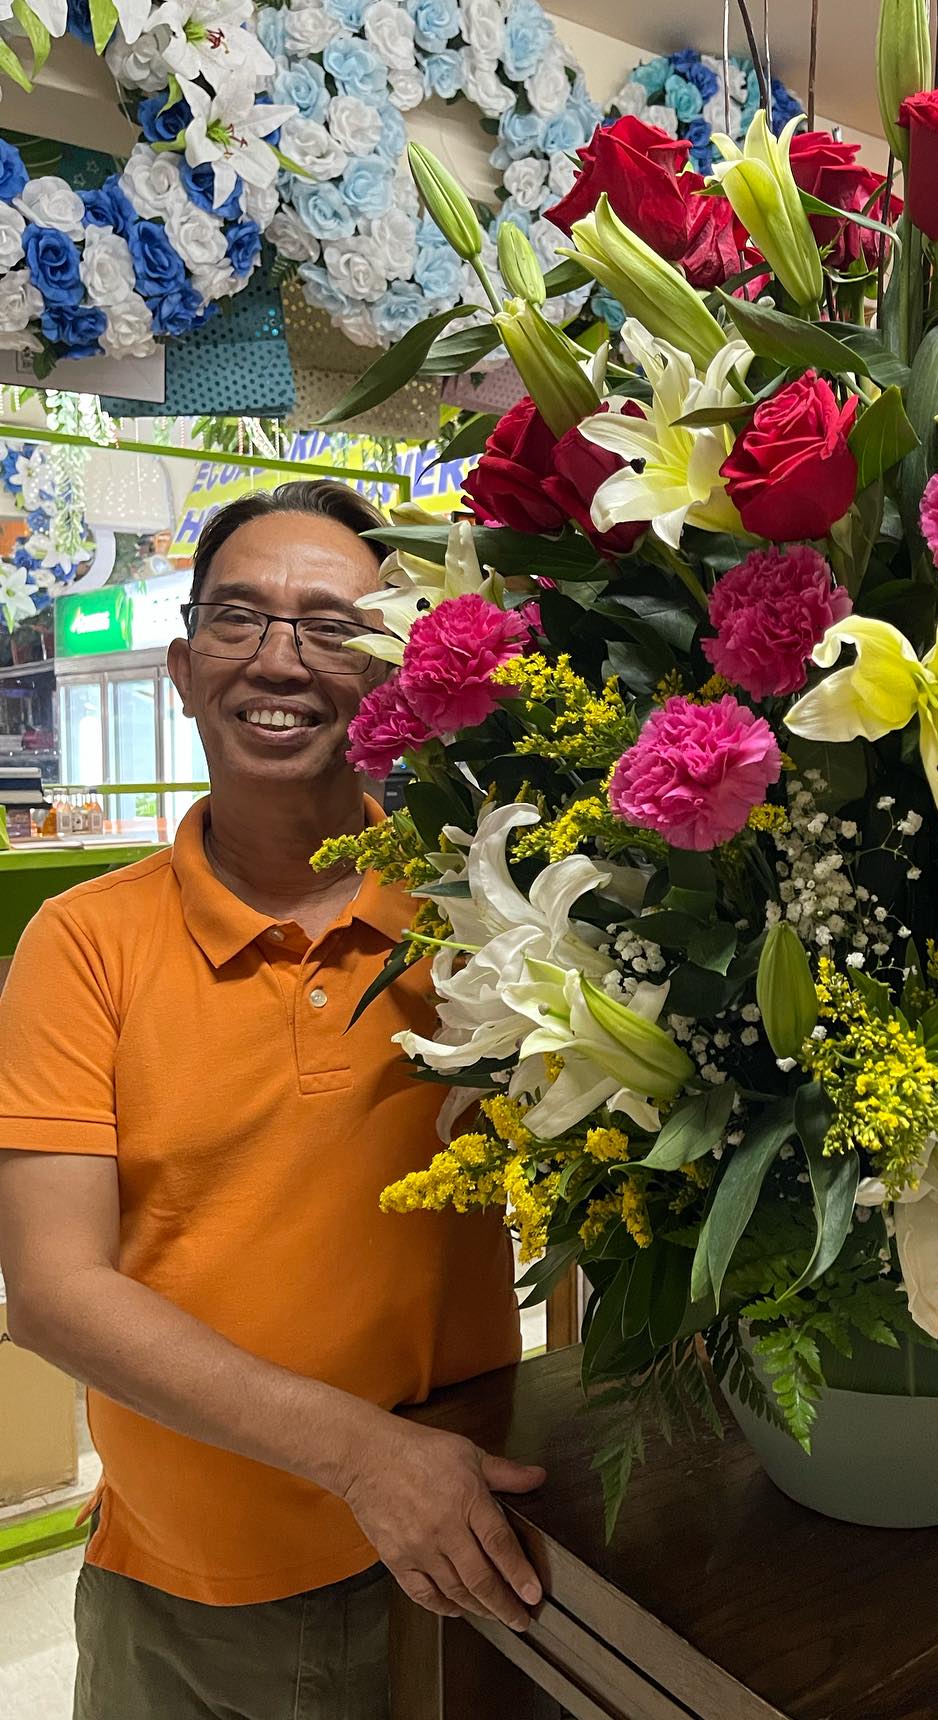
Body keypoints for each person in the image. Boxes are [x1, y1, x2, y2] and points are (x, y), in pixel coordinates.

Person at [0, 482, 542, 1720]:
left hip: (461, 1552)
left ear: (392, 674)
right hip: (190, 1593)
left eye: (332, 627)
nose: (279, 660)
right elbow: (55, 1291)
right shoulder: (82, 945)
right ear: (185, 671)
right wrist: (364, 1457)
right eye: (238, 619)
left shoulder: (484, 914)